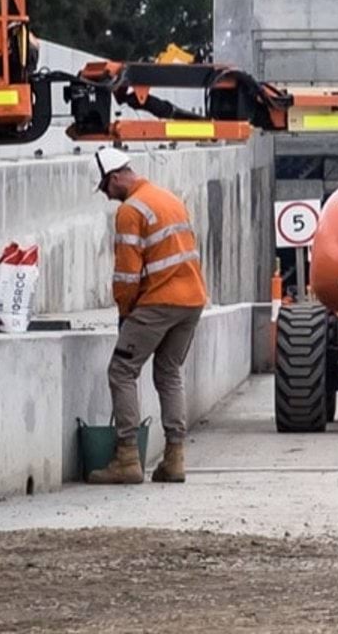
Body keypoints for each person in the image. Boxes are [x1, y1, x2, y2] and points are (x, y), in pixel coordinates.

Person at [86, 148, 210, 486]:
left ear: (114, 178)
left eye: (105, 189)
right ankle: (175, 458)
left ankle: (127, 457)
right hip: (192, 300)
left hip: (159, 302)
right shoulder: (167, 197)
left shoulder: (130, 210)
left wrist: (125, 312)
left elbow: (126, 274)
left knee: (122, 370)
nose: (108, 197)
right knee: (169, 372)